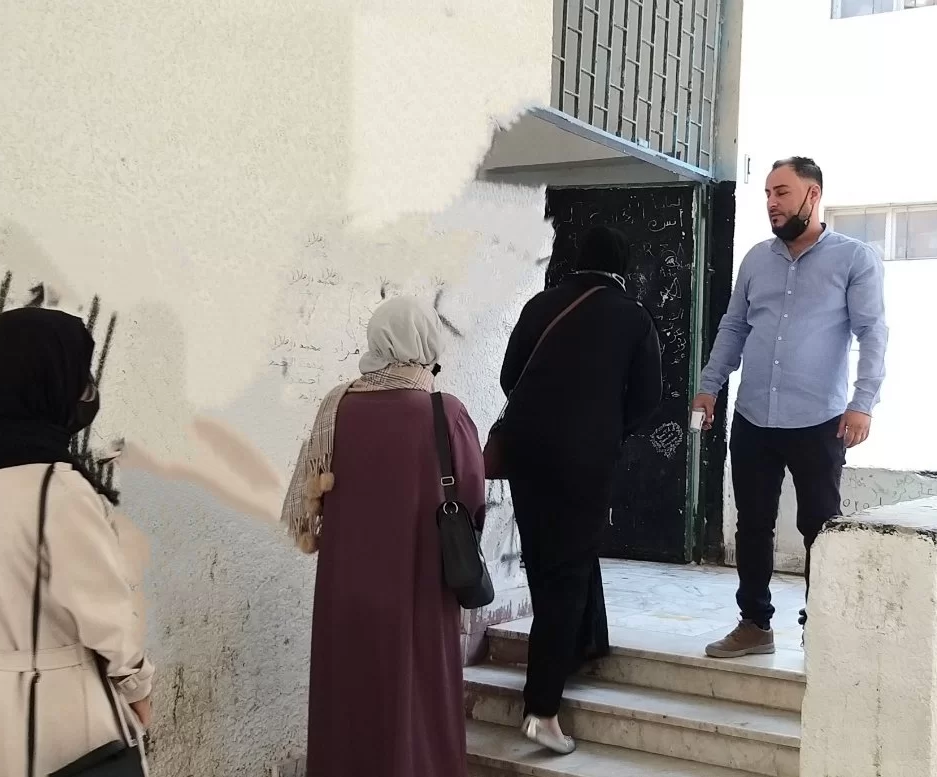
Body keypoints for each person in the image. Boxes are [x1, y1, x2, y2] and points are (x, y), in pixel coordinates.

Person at [0, 307, 154, 776]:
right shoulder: (58, 488)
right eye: (77, 378)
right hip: (63, 718)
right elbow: (105, 613)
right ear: (45, 384)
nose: (84, 390)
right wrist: (138, 686)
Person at [693, 156, 889, 658]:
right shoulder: (756, 260)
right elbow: (734, 327)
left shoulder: (854, 259)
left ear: (812, 195)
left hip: (820, 420)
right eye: (767, 194)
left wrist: (863, 402)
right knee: (752, 524)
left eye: (781, 192)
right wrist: (709, 385)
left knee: (819, 527)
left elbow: (872, 333)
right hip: (753, 415)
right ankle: (754, 624)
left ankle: (819, 628)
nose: (771, 203)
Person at [282, 296, 486, 777]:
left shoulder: (337, 407)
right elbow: (473, 500)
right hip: (419, 590)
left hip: (345, 595)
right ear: (426, 342)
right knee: (418, 703)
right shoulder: (444, 413)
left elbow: (314, 497)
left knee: (348, 704)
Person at [497, 226, 662, 753]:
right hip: (584, 461)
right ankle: (542, 709)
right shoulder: (633, 316)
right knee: (567, 573)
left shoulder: (539, 305)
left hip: (526, 455)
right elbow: (647, 399)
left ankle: (579, 645)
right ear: (621, 266)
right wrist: (605, 428)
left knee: (546, 562)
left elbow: (509, 377)